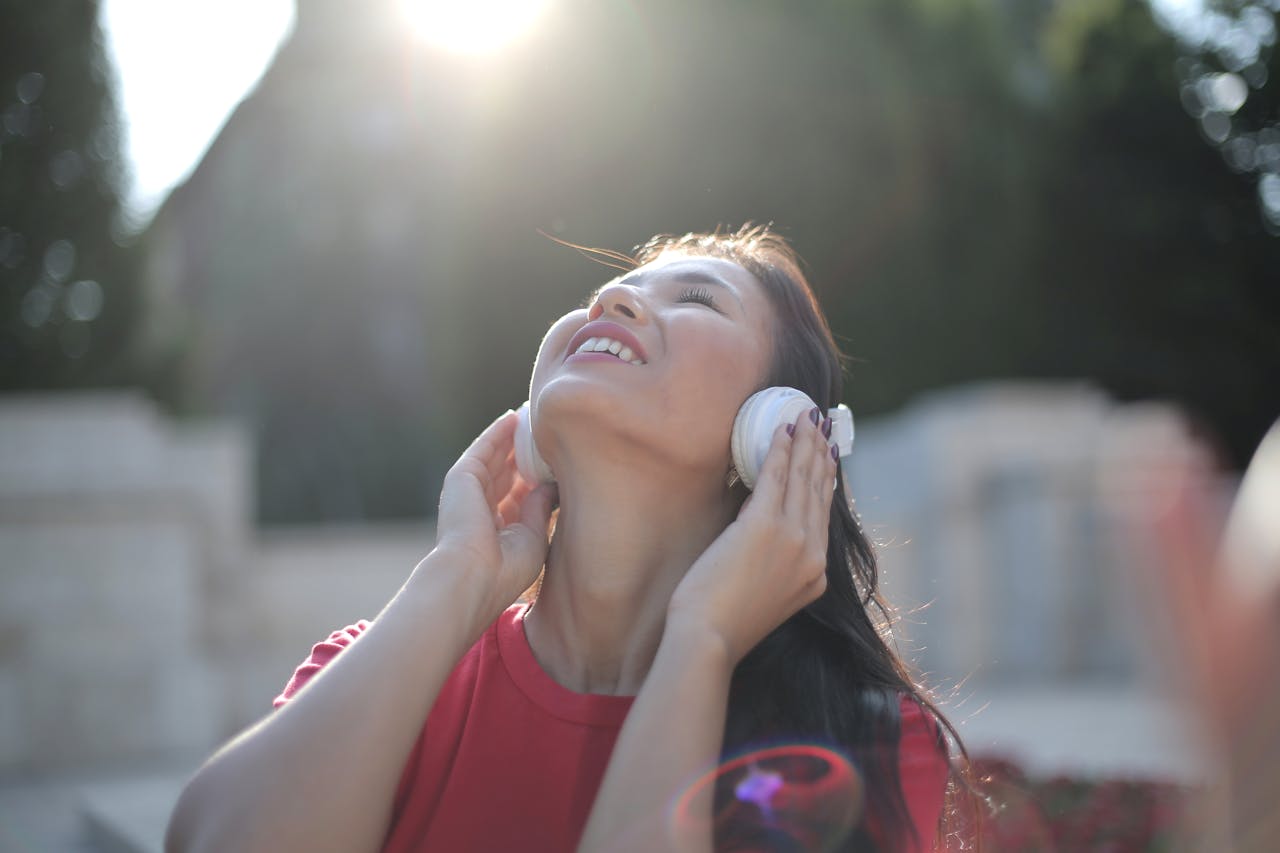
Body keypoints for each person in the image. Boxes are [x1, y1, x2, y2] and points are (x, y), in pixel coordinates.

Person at [166, 225, 966, 853]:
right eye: (610, 290)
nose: (612, 298)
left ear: (778, 429)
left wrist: (703, 640)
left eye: (697, 298)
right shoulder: (382, 673)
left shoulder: (867, 747)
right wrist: (455, 575)